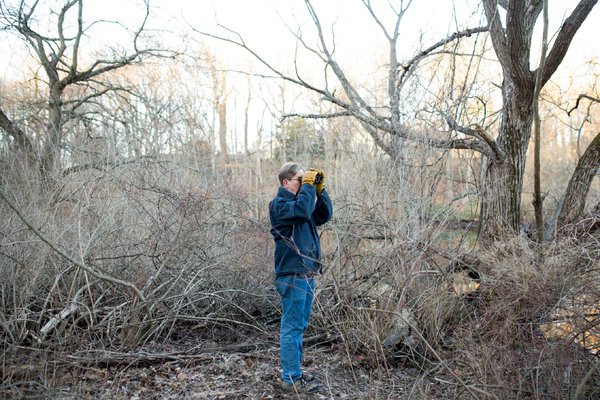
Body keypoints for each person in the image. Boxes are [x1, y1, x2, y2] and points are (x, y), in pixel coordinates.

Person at [268, 162, 333, 394]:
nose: (305, 182)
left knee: (299, 326)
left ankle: (295, 375)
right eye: (300, 179)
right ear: (286, 182)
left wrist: (319, 190)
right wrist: (307, 188)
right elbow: (304, 211)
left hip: (306, 273)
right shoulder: (280, 205)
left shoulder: (301, 204)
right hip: (292, 275)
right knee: (292, 327)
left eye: (306, 179)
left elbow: (324, 215)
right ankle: (290, 380)